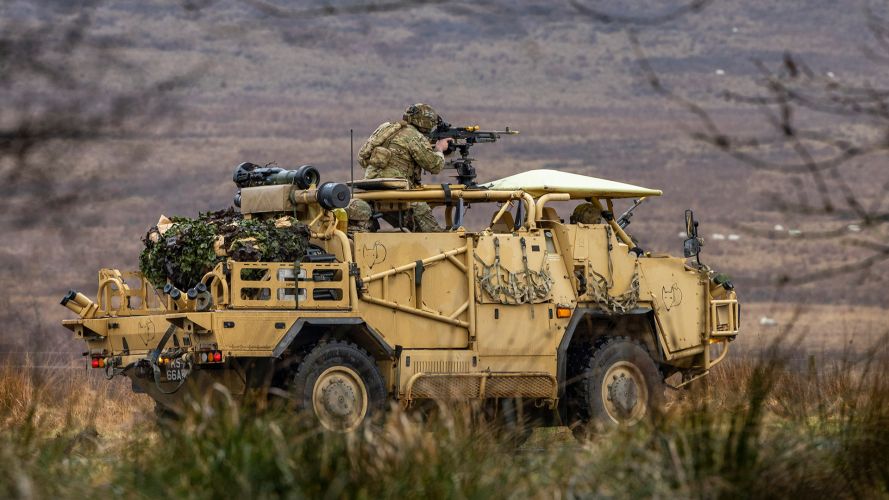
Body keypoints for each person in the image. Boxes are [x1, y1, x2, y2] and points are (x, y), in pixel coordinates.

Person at [357, 103, 452, 232]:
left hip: (372, 186)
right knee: (434, 234)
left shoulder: (387, 128)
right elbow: (435, 165)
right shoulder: (414, 136)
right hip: (397, 191)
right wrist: (440, 149)